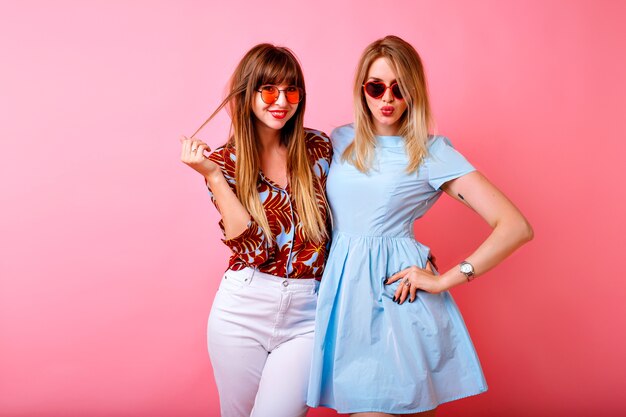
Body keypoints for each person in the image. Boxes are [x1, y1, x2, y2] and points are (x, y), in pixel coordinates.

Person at [307, 35, 534, 416]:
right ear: (362, 90)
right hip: (343, 301)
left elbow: (515, 226)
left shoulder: (431, 153)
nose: (387, 99)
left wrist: (446, 279)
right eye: (376, 87)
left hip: (395, 302)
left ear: (413, 93)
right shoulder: (341, 139)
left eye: (399, 88)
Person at [180, 44, 332, 417]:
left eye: (291, 90)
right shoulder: (224, 163)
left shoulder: (320, 149)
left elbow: (353, 216)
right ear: (248, 93)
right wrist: (214, 177)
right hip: (242, 309)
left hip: (308, 314)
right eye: (269, 90)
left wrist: (404, 246)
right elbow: (253, 250)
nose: (281, 100)